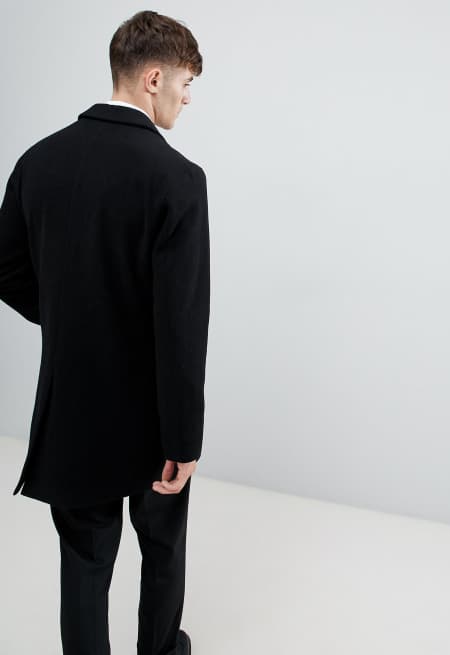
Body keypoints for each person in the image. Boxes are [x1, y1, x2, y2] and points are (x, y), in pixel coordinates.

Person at [0, 10, 210, 655]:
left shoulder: (39, 161)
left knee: (85, 559)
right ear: (153, 78)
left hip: (73, 408)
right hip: (152, 414)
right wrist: (184, 439)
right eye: (186, 83)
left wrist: (73, 318)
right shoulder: (177, 178)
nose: (187, 98)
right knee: (161, 548)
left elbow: (7, 270)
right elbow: (181, 325)